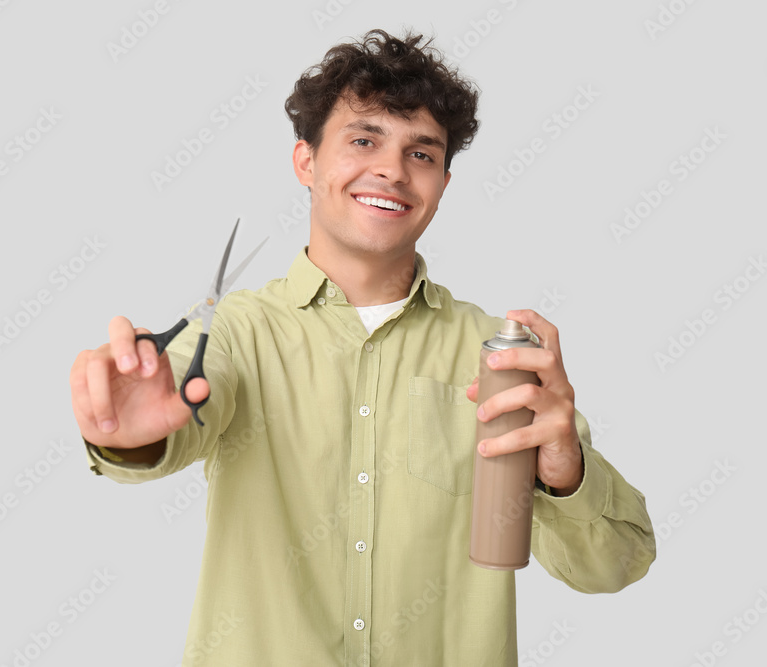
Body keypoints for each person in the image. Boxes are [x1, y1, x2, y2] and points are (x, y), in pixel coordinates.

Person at [69, 29, 655, 666]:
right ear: (306, 162)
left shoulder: (502, 357)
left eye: (422, 154)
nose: (392, 171)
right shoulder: (234, 332)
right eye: (364, 139)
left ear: (442, 185)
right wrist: (133, 434)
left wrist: (565, 473)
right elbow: (182, 406)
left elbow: (615, 565)